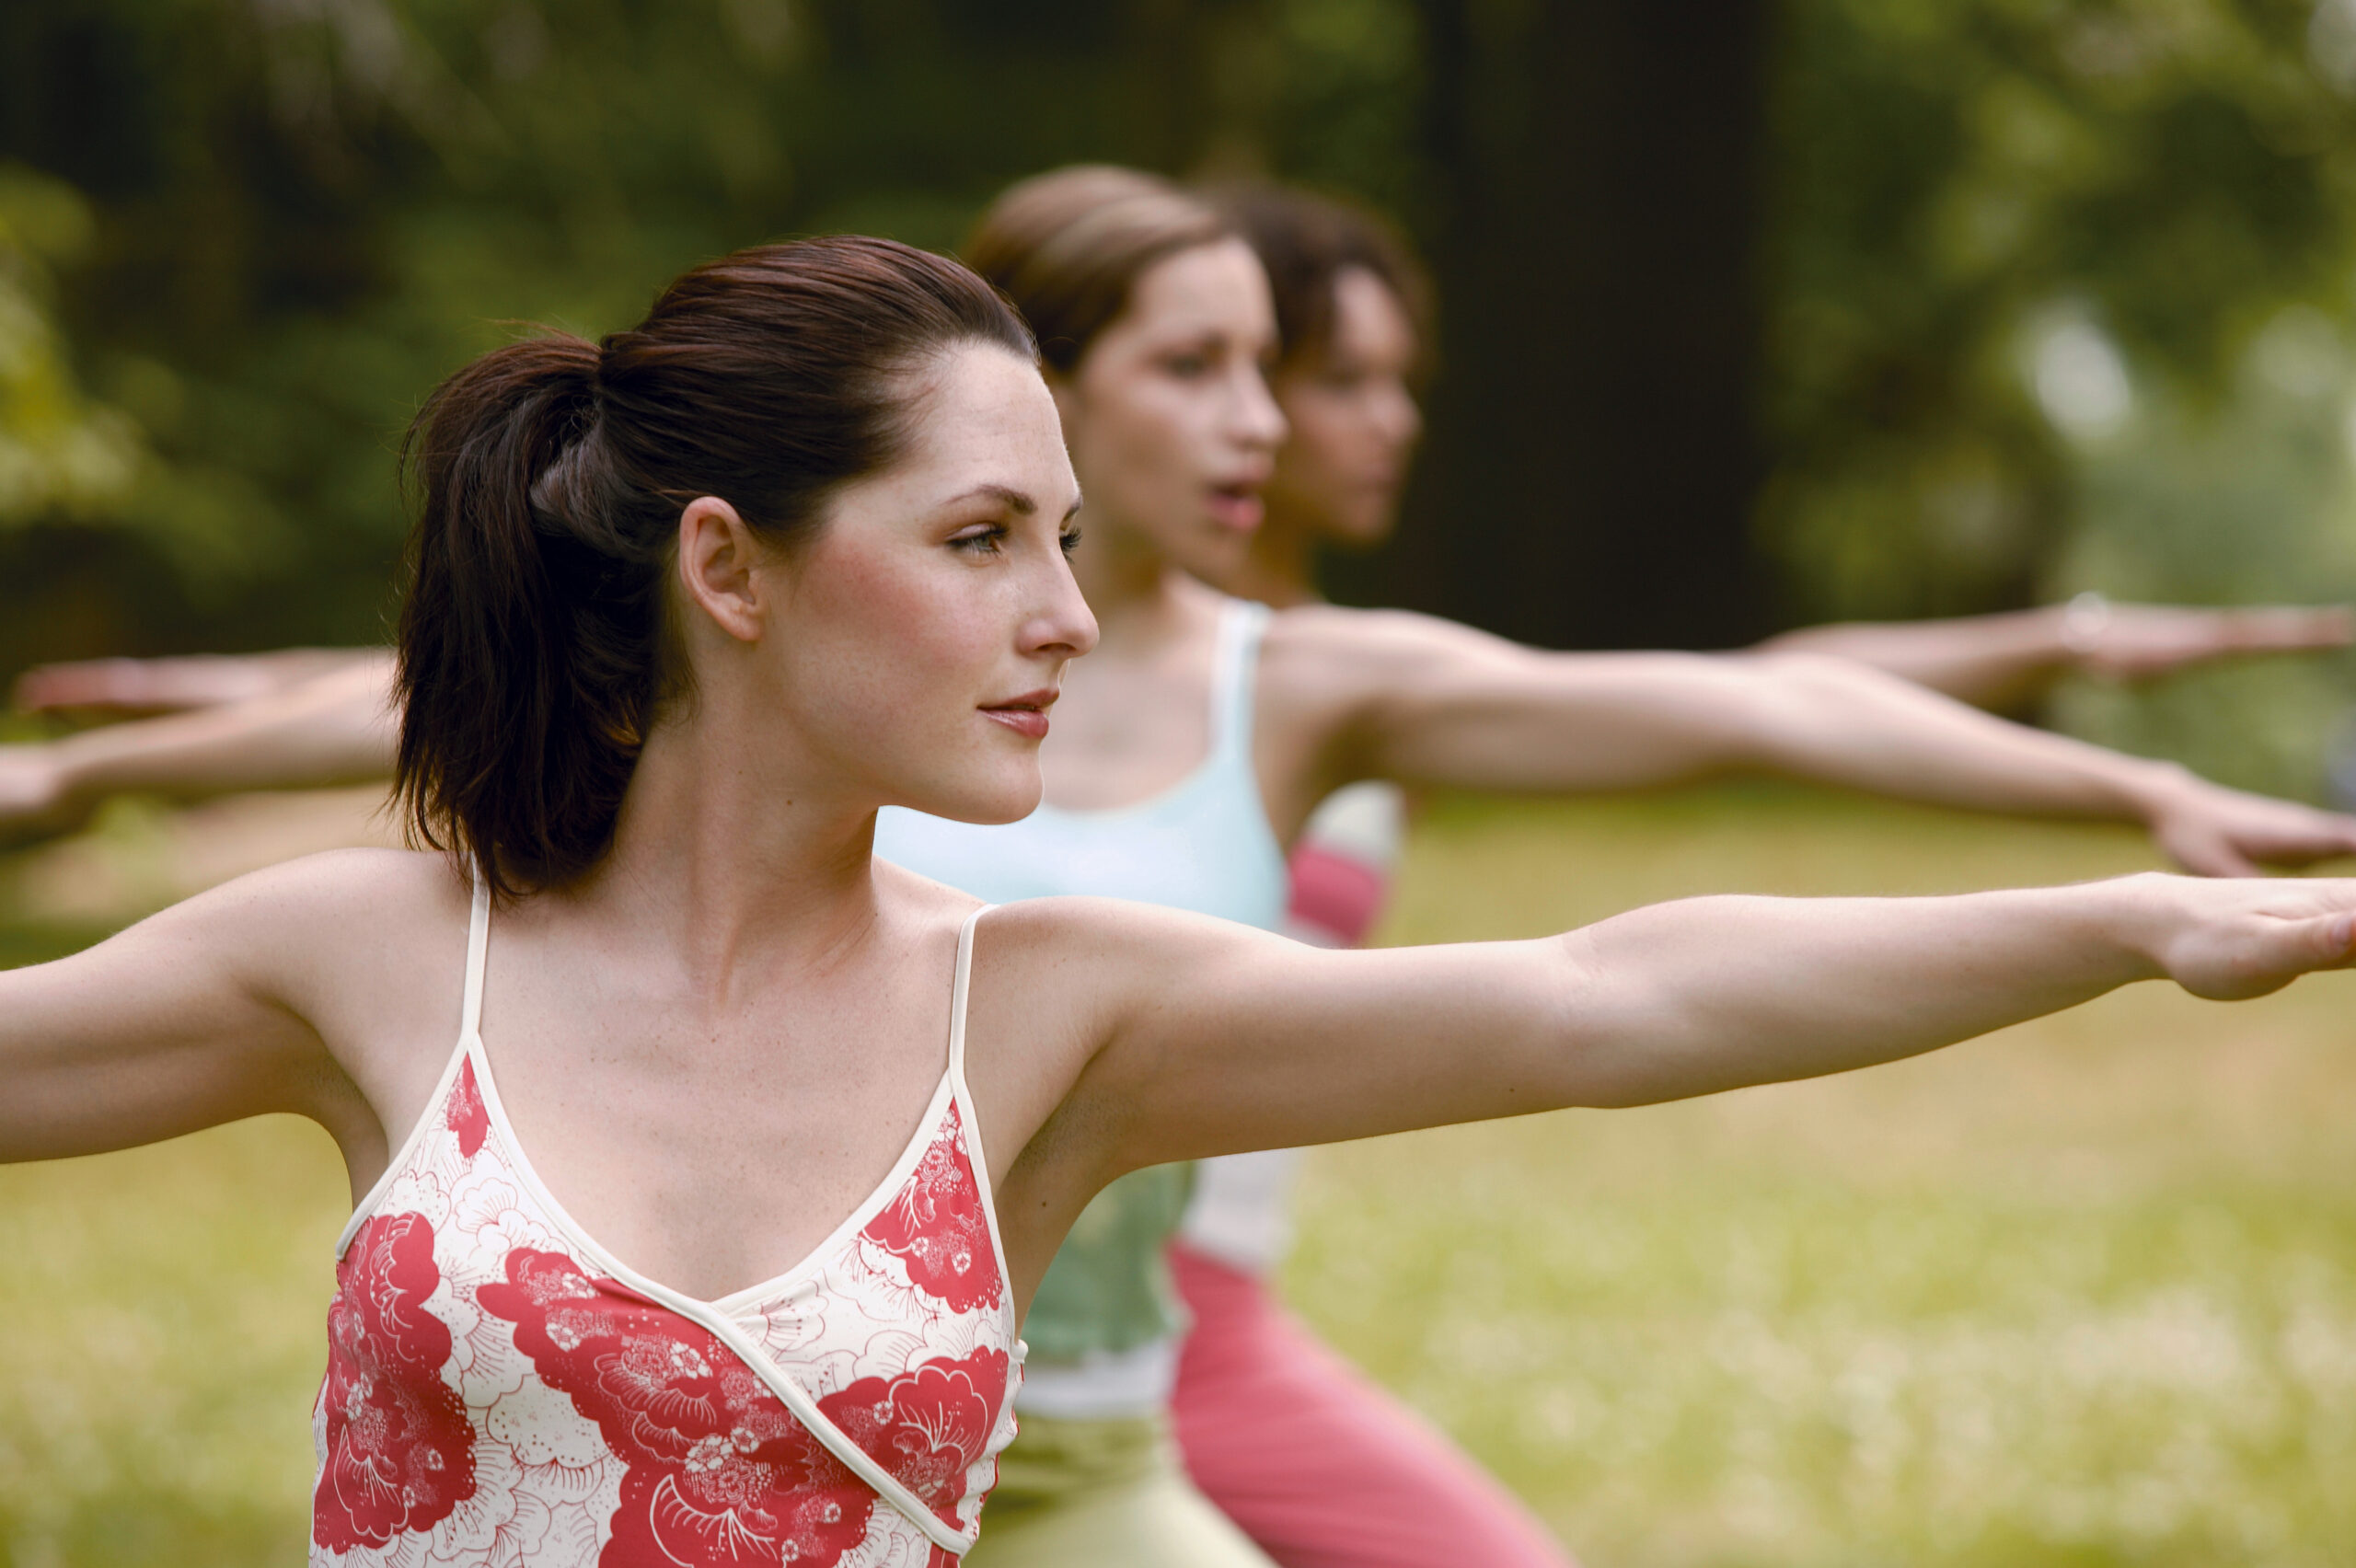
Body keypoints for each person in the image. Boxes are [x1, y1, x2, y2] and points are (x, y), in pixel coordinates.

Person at [8, 172, 2356, 1567]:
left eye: (1063, 537)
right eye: (978, 541)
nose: (1065, 610)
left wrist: (2133, 922)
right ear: (729, 569)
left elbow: (1610, 993)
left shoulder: (1051, 1011)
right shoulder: (377, 952)